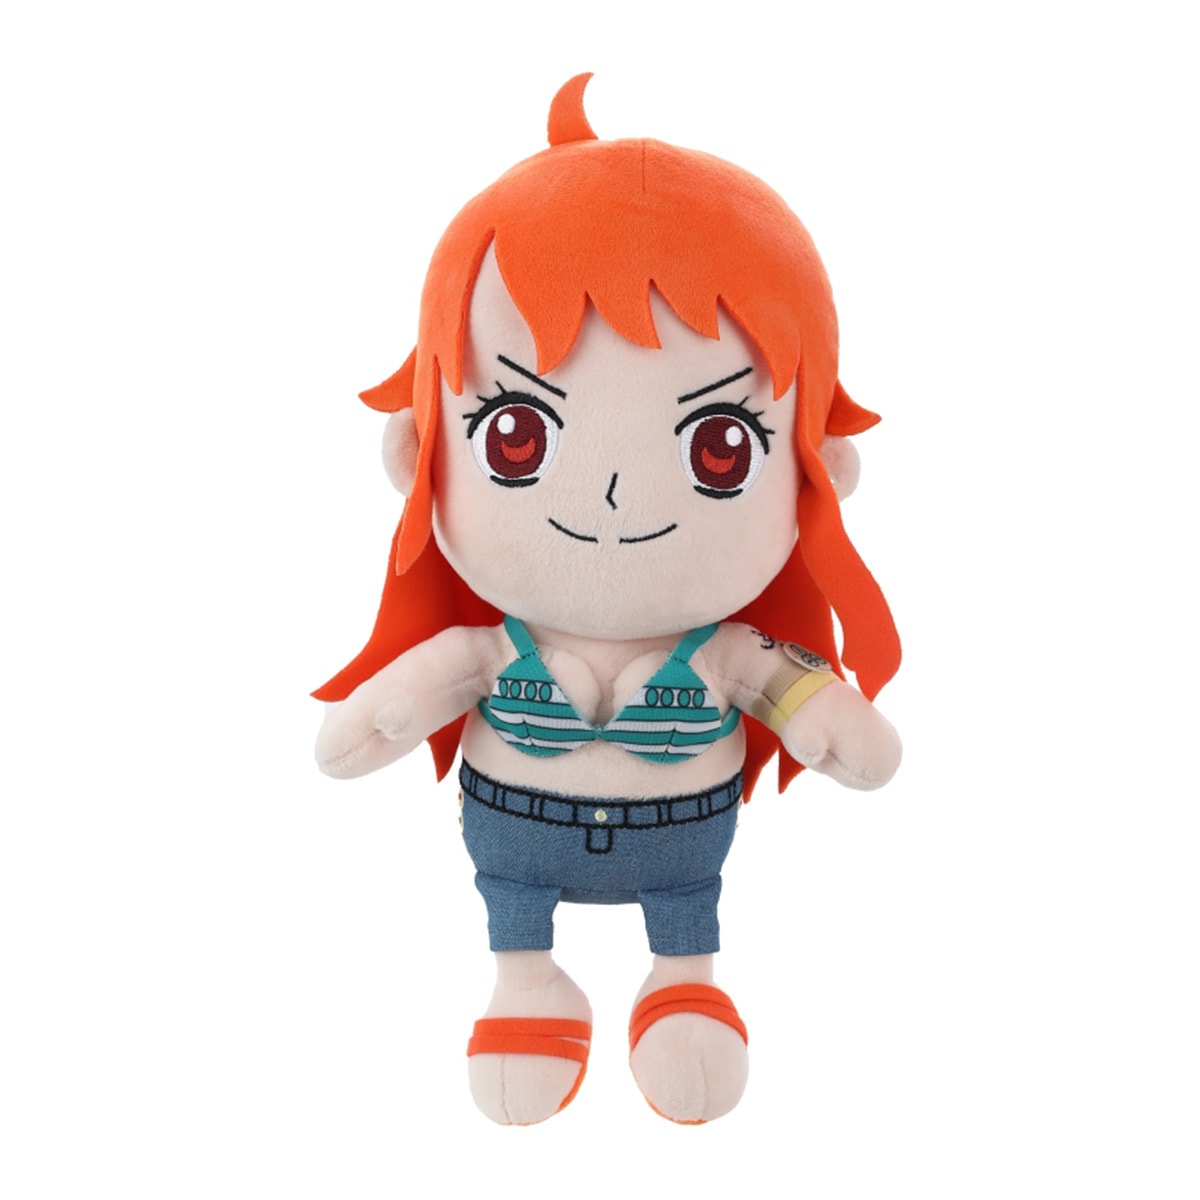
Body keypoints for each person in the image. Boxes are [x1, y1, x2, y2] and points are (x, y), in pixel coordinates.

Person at [314, 74, 901, 1125]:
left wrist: (831, 721)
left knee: (686, 908)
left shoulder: (726, 651)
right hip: (523, 846)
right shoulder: (488, 647)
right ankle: (526, 984)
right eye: (516, 434)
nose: (618, 496)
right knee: (515, 911)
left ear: (818, 471)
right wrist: (379, 718)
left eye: (720, 447)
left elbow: (810, 705)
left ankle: (683, 983)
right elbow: (395, 706)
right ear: (419, 452)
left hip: (678, 851)